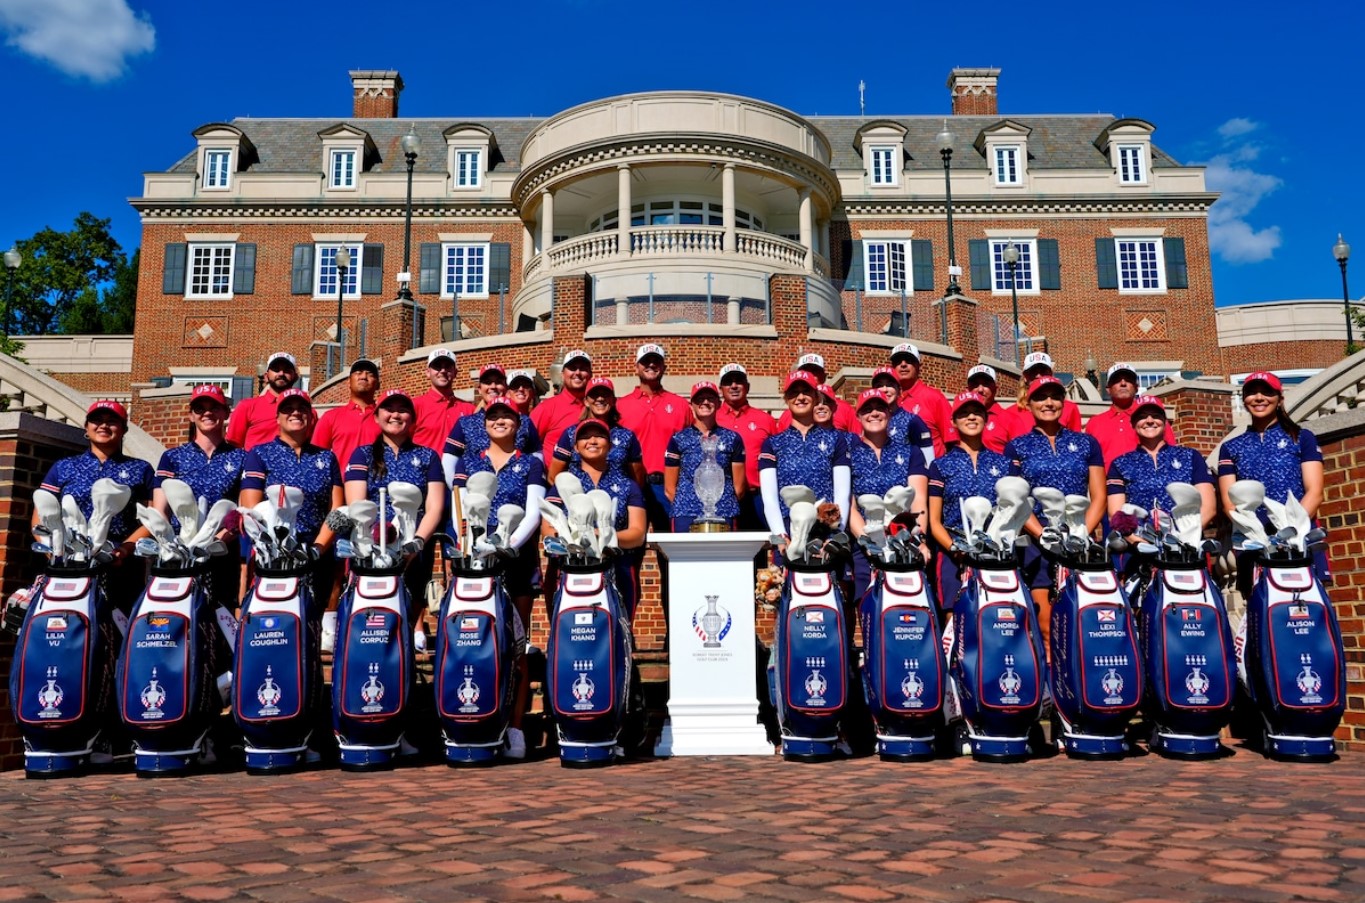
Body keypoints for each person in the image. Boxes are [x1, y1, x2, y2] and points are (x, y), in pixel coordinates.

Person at [452, 396, 546, 760]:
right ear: (485, 424)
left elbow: (533, 514)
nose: (500, 421)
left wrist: (506, 546)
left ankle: (516, 729)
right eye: (494, 416)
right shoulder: (469, 461)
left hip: (516, 560)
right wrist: (474, 547)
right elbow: (459, 509)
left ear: (518, 425)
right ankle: (476, 718)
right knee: (475, 640)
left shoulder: (531, 464)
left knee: (517, 646)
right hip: (475, 563)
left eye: (508, 416)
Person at [1005, 376, 1106, 646]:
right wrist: (1042, 535)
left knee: (1084, 616)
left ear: (1063, 402)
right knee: (1046, 625)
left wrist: (1080, 533)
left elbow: (1099, 496)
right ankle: (1050, 667)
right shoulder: (1017, 446)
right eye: (1041, 397)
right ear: (1029, 403)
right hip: (1036, 540)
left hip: (1078, 537)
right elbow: (1016, 497)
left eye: (1055, 397)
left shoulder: (1087, 443)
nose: (1048, 403)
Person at [345, 389, 447, 650]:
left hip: (414, 548)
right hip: (372, 549)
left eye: (403, 410)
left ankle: (403, 666)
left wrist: (416, 543)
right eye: (389, 409)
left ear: (412, 418)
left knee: (406, 618)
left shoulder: (428, 456)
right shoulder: (362, 455)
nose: (395, 415)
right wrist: (374, 542)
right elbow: (357, 505)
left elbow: (435, 506)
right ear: (376, 416)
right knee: (372, 620)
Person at [239, 389, 343, 640]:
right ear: (277, 417)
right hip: (275, 558)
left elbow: (336, 509)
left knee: (311, 628)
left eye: (302, 408)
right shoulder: (260, 454)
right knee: (274, 627)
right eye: (288, 409)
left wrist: (317, 549)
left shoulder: (326, 457)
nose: (295, 413)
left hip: (316, 553)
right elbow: (253, 509)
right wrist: (276, 548)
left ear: (311, 416)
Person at [36, 400, 155, 614]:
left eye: (112, 421)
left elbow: (152, 518)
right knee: (66, 623)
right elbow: (41, 515)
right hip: (70, 560)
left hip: (119, 563)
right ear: (86, 427)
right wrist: (54, 551)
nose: (103, 425)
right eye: (97, 420)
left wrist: (125, 549)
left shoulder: (141, 468)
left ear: (124, 429)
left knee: (117, 626)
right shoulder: (64, 466)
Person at [1217, 371, 1326, 598]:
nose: (1259, 398)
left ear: (1279, 398)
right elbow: (1229, 502)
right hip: (1253, 541)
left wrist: (1289, 530)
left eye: (1266, 392)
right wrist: (1255, 532)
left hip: (1299, 537)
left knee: (1309, 606)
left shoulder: (1302, 437)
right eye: (1252, 393)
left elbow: (1315, 492)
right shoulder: (1230, 447)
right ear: (1244, 399)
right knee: (1261, 608)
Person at [152, 385, 246, 612]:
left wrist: (219, 540)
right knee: (175, 617)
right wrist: (169, 545)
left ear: (226, 413)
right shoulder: (172, 457)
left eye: (215, 407)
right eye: (200, 408)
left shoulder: (242, 457)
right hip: (179, 554)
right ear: (191, 415)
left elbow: (243, 508)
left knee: (220, 618)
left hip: (221, 552)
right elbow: (160, 510)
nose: (207, 413)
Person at [543, 418, 648, 620]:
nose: (592, 441)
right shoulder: (563, 484)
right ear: (575, 447)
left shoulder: (627, 485)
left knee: (617, 630)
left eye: (599, 436)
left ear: (610, 445)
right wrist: (575, 539)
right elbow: (548, 529)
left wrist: (601, 535)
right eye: (585, 437)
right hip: (572, 570)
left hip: (618, 569)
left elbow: (637, 534)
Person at [1106, 395, 1215, 580]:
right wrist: (1138, 541)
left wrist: (1183, 537)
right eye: (1142, 417)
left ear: (1165, 422)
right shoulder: (1121, 463)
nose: (1149, 420)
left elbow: (1209, 507)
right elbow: (1116, 514)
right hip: (1141, 551)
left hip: (1187, 548)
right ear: (1133, 424)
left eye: (1155, 416)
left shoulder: (1190, 456)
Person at [928, 391, 1013, 609]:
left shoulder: (1004, 464)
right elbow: (934, 521)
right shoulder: (940, 465)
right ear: (953, 421)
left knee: (997, 613)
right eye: (964, 413)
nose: (971, 417)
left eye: (977, 412)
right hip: (953, 553)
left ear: (986, 419)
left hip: (996, 552)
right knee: (954, 614)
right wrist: (956, 550)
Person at [847, 389, 928, 603]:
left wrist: (918, 540)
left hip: (904, 541)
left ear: (889, 413)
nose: (874, 413)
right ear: (858, 416)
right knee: (867, 605)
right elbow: (850, 506)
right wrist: (869, 543)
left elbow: (918, 500)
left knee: (908, 605)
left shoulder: (910, 452)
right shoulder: (849, 454)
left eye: (880, 408)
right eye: (867, 409)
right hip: (865, 545)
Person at [759, 371, 851, 550]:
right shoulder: (772, 443)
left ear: (816, 397)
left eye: (806, 392)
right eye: (794, 392)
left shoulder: (836, 439)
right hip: (788, 529)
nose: (800, 397)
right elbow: (769, 497)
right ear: (786, 399)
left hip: (825, 528)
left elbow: (842, 492)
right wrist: (780, 534)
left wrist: (835, 535)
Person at [616, 343, 692, 531]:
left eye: (656, 361)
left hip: (669, 486)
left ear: (664, 367)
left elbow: (691, 448)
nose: (651, 365)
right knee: (632, 541)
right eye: (645, 361)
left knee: (671, 542)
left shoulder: (680, 405)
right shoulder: (620, 406)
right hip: (632, 485)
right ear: (636, 367)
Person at [664, 381, 747, 532]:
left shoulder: (732, 438)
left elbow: (739, 487)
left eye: (710, 398)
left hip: (724, 511)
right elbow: (669, 488)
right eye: (700, 399)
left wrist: (723, 503)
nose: (705, 402)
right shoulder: (678, 439)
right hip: (685, 513)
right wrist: (688, 503)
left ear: (719, 403)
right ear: (692, 405)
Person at [442, 363, 542, 482]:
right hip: (475, 490)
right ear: (479, 389)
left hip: (516, 490)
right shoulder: (465, 423)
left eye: (498, 382)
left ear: (505, 387)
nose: (493, 386)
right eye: (488, 382)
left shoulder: (524, 421)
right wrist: (460, 490)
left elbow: (537, 460)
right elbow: (448, 464)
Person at [715, 362, 777, 531]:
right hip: (723, 498)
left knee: (765, 543)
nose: (734, 386)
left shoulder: (765, 420)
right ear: (721, 389)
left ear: (747, 387)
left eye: (739, 381)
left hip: (759, 496)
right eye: (728, 382)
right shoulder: (712, 419)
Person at [548, 377, 644, 485]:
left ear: (613, 400)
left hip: (617, 495)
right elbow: (553, 478)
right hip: (579, 495)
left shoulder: (627, 436)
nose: (600, 398)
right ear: (586, 401)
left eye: (605, 394)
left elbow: (638, 480)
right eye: (594, 395)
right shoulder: (571, 434)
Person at [1086, 362, 1176, 466]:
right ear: (1108, 389)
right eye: (1117, 380)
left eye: (1128, 380)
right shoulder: (1095, 423)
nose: (1123, 383)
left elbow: (1171, 454)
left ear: (1136, 387)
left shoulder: (1152, 420)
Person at [312, 358, 380, 476]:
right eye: (358, 372)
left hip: (378, 485)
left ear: (378, 384)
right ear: (348, 382)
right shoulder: (330, 417)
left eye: (370, 374)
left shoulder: (386, 419)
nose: (363, 376)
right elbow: (315, 457)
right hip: (340, 485)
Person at [1001, 351, 1082, 442]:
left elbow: (1076, 444)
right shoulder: (1010, 413)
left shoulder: (1070, 409)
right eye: (1032, 371)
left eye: (1044, 371)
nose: (1038, 376)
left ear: (1051, 374)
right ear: (1025, 377)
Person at [227, 352, 300, 451]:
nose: (281, 373)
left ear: (295, 377)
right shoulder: (247, 406)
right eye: (276, 369)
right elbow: (233, 446)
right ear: (266, 376)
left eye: (287, 370)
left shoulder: (305, 412)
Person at [890, 343, 951, 457]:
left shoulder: (934, 398)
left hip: (931, 466)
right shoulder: (887, 401)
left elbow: (952, 441)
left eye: (909, 360)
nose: (903, 364)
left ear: (919, 366)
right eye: (898, 361)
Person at [776, 353, 859, 433]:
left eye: (815, 371)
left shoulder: (844, 409)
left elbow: (858, 439)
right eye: (805, 371)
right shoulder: (788, 415)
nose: (810, 375)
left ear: (824, 377)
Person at [411, 348, 475, 453]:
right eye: (437, 366)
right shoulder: (414, 406)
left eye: (448, 367)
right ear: (428, 372)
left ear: (455, 372)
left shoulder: (469, 410)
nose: (443, 370)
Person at [531, 349, 592, 454]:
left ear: (590, 374)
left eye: (583, 368)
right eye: (572, 368)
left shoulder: (598, 408)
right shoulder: (546, 408)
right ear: (563, 374)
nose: (577, 372)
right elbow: (526, 446)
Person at [870, 366, 934, 464]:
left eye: (890, 385)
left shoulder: (912, 421)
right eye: (879, 385)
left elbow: (929, 461)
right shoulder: (867, 421)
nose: (884, 389)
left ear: (899, 390)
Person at [942, 364, 1012, 453]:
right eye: (975, 385)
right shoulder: (957, 417)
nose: (980, 390)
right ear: (967, 389)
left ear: (995, 389)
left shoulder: (1011, 420)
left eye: (986, 384)